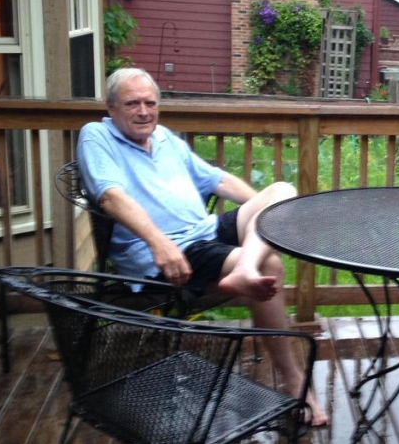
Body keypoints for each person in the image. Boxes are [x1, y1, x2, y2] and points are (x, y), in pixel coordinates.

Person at [77, 67, 327, 425]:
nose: (144, 112)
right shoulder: (96, 136)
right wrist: (159, 243)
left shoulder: (163, 138)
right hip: (168, 251)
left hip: (205, 230)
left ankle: (244, 267)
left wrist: (268, 217)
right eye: (132, 104)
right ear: (111, 108)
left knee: (282, 193)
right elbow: (110, 197)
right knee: (269, 264)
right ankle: (294, 380)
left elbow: (217, 180)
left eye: (150, 103)